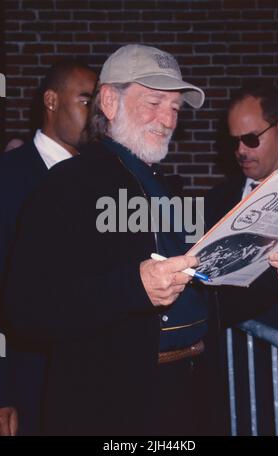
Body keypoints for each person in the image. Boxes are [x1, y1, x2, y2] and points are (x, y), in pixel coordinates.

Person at [2, 44, 210, 436]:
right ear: (110, 101)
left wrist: (268, 261)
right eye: (154, 102)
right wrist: (134, 287)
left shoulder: (164, 187)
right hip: (112, 407)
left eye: (176, 108)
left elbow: (206, 295)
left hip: (182, 391)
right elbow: (26, 309)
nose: (167, 119)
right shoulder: (68, 185)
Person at [0, 59, 97, 435]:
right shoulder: (9, 178)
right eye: (85, 100)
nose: (95, 114)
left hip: (90, 379)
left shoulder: (99, 179)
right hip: (28, 377)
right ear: (52, 101)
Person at [205, 85, 278, 435]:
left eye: (250, 138)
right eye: (234, 141)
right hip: (228, 376)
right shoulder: (217, 199)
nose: (240, 151)